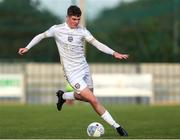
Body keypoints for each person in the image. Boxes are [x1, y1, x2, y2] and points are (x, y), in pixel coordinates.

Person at [18, 5, 129, 136]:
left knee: (88, 98)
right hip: (72, 73)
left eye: (78, 19)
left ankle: (63, 96)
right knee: (93, 100)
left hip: (84, 68)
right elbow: (40, 36)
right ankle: (117, 127)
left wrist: (113, 53)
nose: (76, 22)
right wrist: (27, 47)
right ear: (68, 17)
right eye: (74, 19)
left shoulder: (82, 31)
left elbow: (97, 44)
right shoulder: (57, 29)